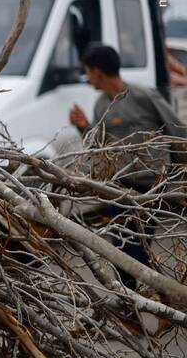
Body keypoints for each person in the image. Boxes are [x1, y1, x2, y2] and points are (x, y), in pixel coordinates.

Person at [69, 44, 186, 288]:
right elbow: (101, 148)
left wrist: (181, 175)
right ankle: (133, 299)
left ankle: (149, 296)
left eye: (87, 71)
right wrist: (84, 127)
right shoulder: (101, 105)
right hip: (119, 188)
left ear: (97, 71)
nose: (87, 77)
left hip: (150, 188)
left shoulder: (143, 96)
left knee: (136, 248)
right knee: (121, 247)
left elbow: (176, 131)